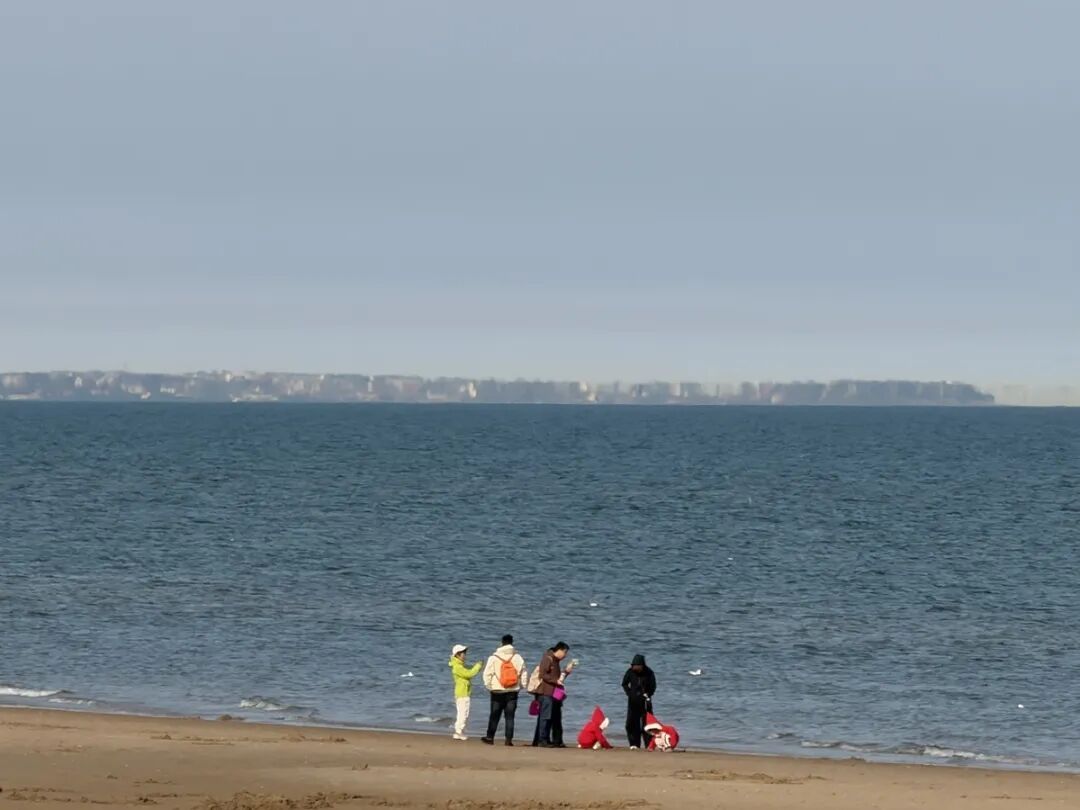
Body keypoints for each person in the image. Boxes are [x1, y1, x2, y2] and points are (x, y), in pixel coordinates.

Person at [481, 634, 527, 746]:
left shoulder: (494, 657)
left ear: (501, 643)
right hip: (513, 691)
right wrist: (522, 686)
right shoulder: (518, 657)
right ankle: (508, 740)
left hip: (497, 691)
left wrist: (489, 686)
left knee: (494, 715)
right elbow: (524, 673)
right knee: (510, 717)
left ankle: (490, 737)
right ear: (512, 643)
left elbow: (487, 674)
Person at [531, 641, 573, 748]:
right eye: (565, 652)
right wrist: (555, 681)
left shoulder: (556, 661)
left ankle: (544, 740)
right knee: (545, 717)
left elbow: (558, 679)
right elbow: (542, 674)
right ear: (559, 650)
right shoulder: (548, 658)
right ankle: (542, 740)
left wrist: (566, 672)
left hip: (553, 693)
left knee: (550, 717)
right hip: (545, 692)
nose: (565, 655)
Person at [448, 643, 482, 741]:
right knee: (463, 713)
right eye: (463, 653)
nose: (465, 655)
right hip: (462, 693)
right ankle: (459, 732)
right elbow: (469, 674)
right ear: (457, 655)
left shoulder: (458, 665)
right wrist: (478, 666)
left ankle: (459, 731)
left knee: (463, 713)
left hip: (463, 692)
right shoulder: (457, 667)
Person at [621, 653, 656, 749]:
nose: (635, 668)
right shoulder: (630, 672)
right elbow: (624, 684)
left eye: (637, 666)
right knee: (631, 723)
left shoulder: (649, 672)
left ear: (642, 665)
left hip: (645, 701)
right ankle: (634, 744)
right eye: (633, 666)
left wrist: (648, 694)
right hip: (633, 701)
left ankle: (648, 745)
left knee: (647, 724)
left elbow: (653, 686)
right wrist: (629, 693)